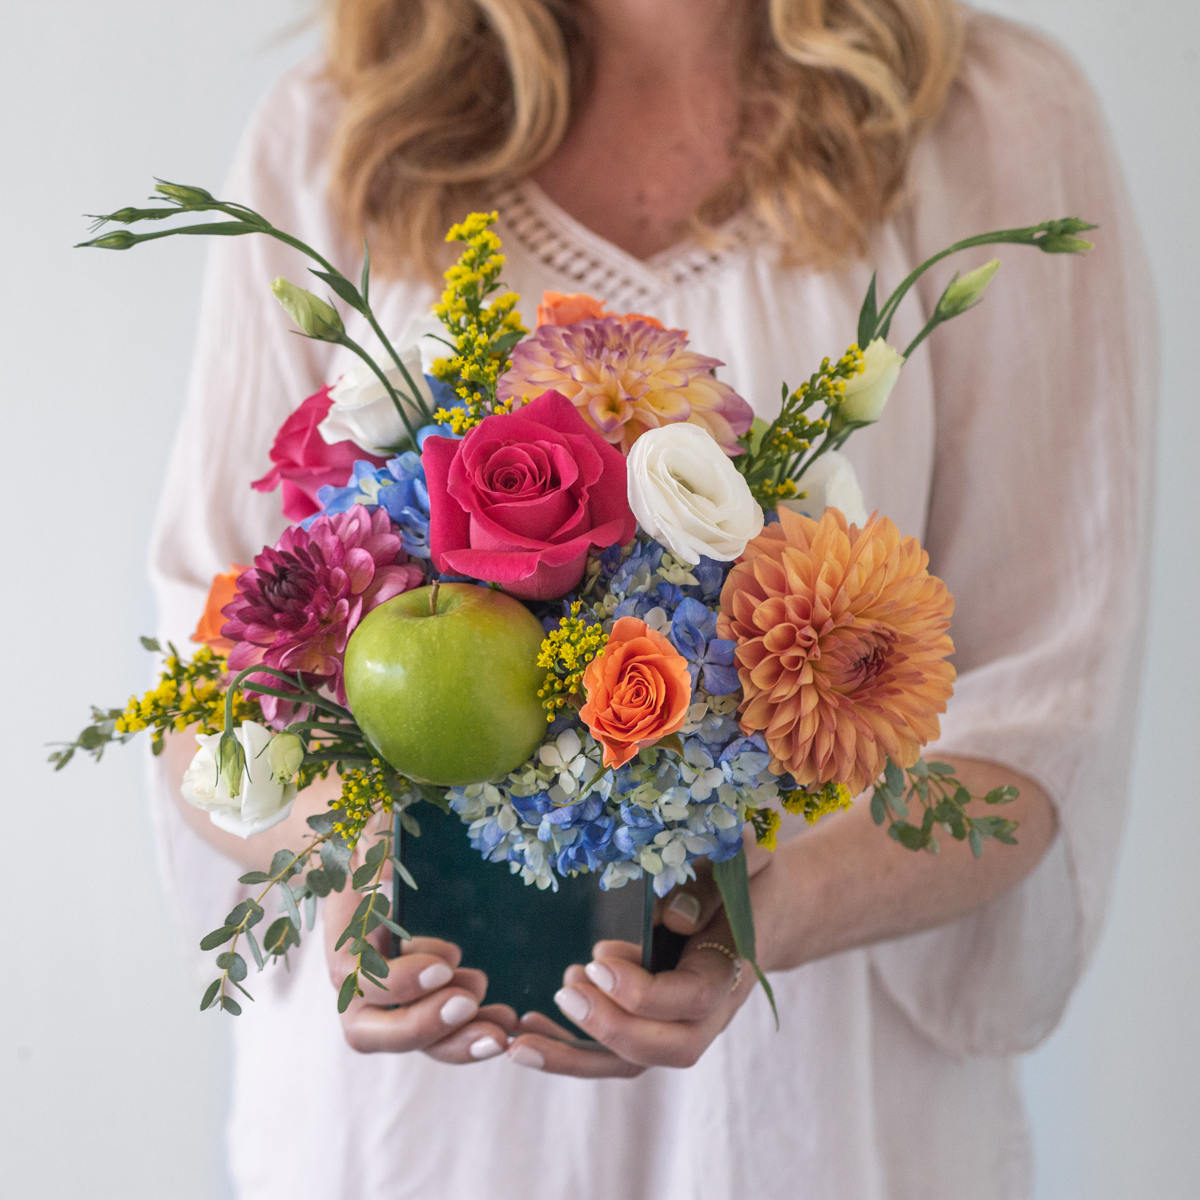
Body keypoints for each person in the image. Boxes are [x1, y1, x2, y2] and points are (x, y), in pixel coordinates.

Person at [148, 1, 1156, 1196]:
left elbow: (1043, 711)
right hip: (407, 1135)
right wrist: (352, 855)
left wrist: (761, 913)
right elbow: (204, 665)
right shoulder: (339, 128)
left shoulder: (995, 120)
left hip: (813, 1129)